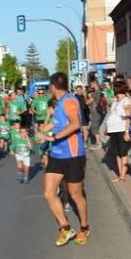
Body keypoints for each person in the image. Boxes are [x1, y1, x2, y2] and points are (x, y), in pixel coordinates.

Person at [42, 72, 89, 246]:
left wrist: (54, 138)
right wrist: (43, 132)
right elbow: (56, 124)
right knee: (49, 192)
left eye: (49, 86)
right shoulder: (59, 103)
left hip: (72, 154)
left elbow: (75, 124)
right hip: (57, 155)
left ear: (53, 86)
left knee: (76, 195)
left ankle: (84, 228)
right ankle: (66, 228)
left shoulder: (69, 101)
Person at [103, 79, 131, 182]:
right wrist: (107, 128)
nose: (113, 89)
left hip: (121, 130)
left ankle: (123, 176)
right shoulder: (116, 101)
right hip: (113, 130)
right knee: (117, 153)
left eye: (115, 87)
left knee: (123, 153)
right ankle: (120, 174)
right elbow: (112, 115)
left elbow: (128, 116)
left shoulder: (126, 101)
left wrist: (127, 132)